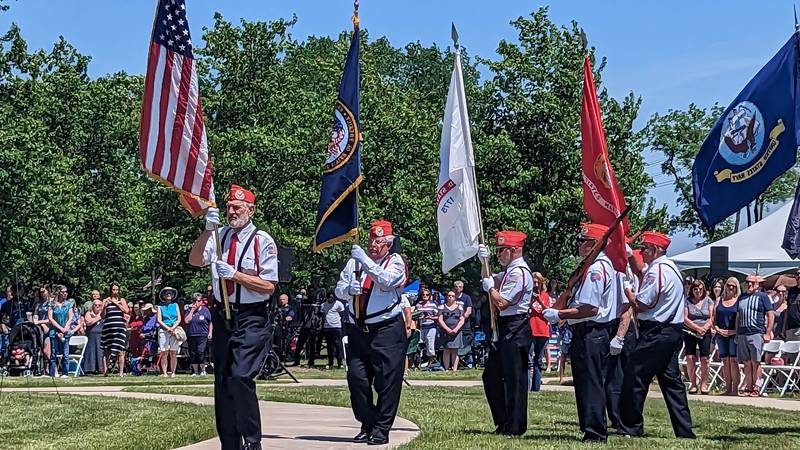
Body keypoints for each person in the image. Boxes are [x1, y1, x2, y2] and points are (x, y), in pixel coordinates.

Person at [188, 184, 279, 450]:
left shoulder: (263, 241)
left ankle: (252, 440)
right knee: (224, 380)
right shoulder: (220, 237)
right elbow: (195, 260)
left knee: (241, 376)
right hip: (223, 316)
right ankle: (230, 443)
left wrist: (236, 276)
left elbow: (269, 285)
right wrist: (207, 230)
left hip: (252, 317)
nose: (232, 211)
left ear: (251, 210)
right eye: (229, 206)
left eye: (238, 207)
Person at [543, 223, 621, 443]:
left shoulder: (596, 269)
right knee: (587, 381)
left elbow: (590, 308)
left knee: (591, 382)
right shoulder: (600, 266)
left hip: (591, 331)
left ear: (594, 244)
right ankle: (591, 427)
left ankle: (595, 432)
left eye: (583, 241)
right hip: (593, 331)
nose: (579, 245)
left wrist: (559, 315)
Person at [335, 220, 410, 445]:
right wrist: (349, 290)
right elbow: (339, 289)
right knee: (357, 379)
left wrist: (365, 261)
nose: (373, 245)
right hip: (358, 329)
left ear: (389, 244)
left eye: (379, 241)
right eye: (371, 240)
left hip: (386, 329)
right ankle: (367, 421)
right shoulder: (353, 263)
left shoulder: (395, 262)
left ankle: (381, 429)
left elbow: (387, 282)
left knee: (387, 382)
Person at [619, 231, 694, 439]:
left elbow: (642, 304)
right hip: (671, 330)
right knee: (672, 383)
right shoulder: (671, 268)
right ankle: (684, 430)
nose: (642, 252)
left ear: (655, 250)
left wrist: (627, 289)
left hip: (656, 332)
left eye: (645, 249)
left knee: (635, 377)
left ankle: (631, 428)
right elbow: (643, 272)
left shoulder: (657, 271)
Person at [478, 230, 534, 438]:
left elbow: (502, 303)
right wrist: (483, 262)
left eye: (502, 250)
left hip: (515, 327)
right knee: (492, 375)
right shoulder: (510, 270)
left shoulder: (519, 272)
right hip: (505, 327)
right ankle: (503, 421)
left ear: (515, 250)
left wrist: (491, 289)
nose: (499, 254)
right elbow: (489, 279)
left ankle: (515, 426)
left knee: (514, 379)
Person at [736, 274, 774, 397]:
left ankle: (756, 386)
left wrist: (768, 332)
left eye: (752, 283)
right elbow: (738, 316)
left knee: (756, 361)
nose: (750, 285)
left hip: (756, 332)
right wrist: (737, 332)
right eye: (748, 282)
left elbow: (770, 314)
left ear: (757, 284)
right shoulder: (742, 297)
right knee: (746, 362)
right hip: (743, 332)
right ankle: (748, 385)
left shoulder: (763, 297)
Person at [683, 279, 714, 395]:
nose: (698, 291)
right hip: (690, 331)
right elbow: (685, 318)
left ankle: (704, 384)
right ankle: (693, 384)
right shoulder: (687, 301)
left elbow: (712, 317)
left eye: (700, 289)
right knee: (690, 357)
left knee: (704, 359)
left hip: (705, 332)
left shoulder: (708, 301)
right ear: (692, 290)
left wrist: (704, 328)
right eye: (695, 289)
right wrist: (697, 328)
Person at [715, 277, 740, 395]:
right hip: (720, 334)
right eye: (729, 285)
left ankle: (735, 389)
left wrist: (733, 332)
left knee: (733, 361)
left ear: (736, 288)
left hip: (733, 334)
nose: (731, 287)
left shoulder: (738, 301)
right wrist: (717, 329)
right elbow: (713, 317)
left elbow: (740, 319)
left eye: (733, 286)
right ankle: (728, 388)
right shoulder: (719, 300)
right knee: (725, 361)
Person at [101, 282, 130, 377]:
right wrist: (105, 306)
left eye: (117, 289)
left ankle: (121, 372)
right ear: (110, 290)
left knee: (120, 351)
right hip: (108, 328)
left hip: (119, 328)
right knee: (107, 351)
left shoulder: (122, 300)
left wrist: (116, 303)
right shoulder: (106, 300)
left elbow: (126, 311)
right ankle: (105, 371)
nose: (115, 291)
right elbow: (102, 316)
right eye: (113, 289)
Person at [528, 272, 550, 392]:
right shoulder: (527, 295)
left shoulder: (545, 296)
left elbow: (548, 311)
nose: (536, 284)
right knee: (528, 359)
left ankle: (536, 388)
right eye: (534, 282)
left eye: (538, 282)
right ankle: (526, 386)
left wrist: (539, 300)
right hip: (530, 330)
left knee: (538, 360)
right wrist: (531, 300)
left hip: (542, 331)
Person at [48, 285, 74, 378]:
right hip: (54, 331)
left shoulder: (68, 304)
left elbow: (71, 317)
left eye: (66, 292)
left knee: (65, 354)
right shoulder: (52, 304)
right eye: (63, 292)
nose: (65, 294)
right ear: (58, 292)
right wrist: (60, 328)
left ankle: (65, 373)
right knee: (54, 353)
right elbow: (50, 318)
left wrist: (65, 328)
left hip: (65, 331)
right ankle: (53, 373)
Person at [184, 292, 212, 376]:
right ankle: (195, 371)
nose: (196, 302)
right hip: (191, 334)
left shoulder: (205, 310)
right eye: (194, 301)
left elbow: (210, 322)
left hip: (203, 334)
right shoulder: (189, 310)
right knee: (193, 353)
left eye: (198, 301)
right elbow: (186, 321)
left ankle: (203, 370)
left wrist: (210, 332)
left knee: (201, 351)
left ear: (201, 302)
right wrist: (192, 310)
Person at [437, 290, 465, 371]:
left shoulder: (460, 307)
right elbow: (440, 319)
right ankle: (446, 369)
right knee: (446, 350)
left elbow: (462, 319)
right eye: (448, 295)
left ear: (455, 297)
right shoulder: (442, 307)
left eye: (452, 296)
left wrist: (456, 329)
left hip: (456, 331)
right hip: (445, 331)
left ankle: (454, 369)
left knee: (455, 350)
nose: (450, 297)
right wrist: (447, 329)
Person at [292, 292, 321, 367]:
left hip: (311, 326)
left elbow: (317, 315)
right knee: (300, 344)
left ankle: (311, 361)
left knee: (311, 345)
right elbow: (300, 314)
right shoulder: (304, 304)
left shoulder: (315, 305)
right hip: (304, 326)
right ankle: (297, 361)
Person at [416, 286, 439, 367]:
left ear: (430, 295)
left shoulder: (433, 305)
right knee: (419, 345)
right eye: (423, 294)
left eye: (427, 294)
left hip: (431, 326)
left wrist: (431, 317)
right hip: (421, 327)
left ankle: (430, 363)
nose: (425, 296)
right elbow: (415, 316)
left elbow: (438, 316)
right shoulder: (418, 305)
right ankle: (418, 363)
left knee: (430, 344)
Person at [320, 293, 345, 369]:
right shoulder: (323, 305)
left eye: (333, 297)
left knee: (338, 345)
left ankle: (340, 362)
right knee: (329, 346)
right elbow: (323, 315)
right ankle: (330, 362)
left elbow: (342, 314)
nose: (331, 299)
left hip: (337, 327)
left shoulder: (339, 304)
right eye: (330, 297)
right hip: (327, 327)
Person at [453, 280, 474, 368]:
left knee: (466, 343)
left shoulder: (466, 297)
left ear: (462, 288)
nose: (458, 288)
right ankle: (454, 363)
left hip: (465, 326)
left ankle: (469, 361)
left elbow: (469, 311)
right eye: (456, 287)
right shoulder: (451, 296)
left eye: (460, 287)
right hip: (453, 325)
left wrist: (463, 318)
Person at [82, 299, 105, 374]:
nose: (97, 306)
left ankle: (101, 368)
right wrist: (98, 318)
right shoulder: (89, 313)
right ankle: (90, 369)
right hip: (91, 337)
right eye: (95, 305)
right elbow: (88, 322)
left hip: (101, 336)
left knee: (100, 352)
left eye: (99, 305)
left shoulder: (103, 314)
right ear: (93, 306)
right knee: (91, 352)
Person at [31, 287, 52, 367]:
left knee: (47, 349)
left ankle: (51, 368)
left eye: (44, 291)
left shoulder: (51, 302)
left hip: (49, 327)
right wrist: (35, 320)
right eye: (41, 292)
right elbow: (35, 315)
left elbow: (50, 319)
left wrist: (40, 322)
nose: (42, 293)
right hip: (40, 328)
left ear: (48, 291)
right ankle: (42, 367)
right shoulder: (38, 303)